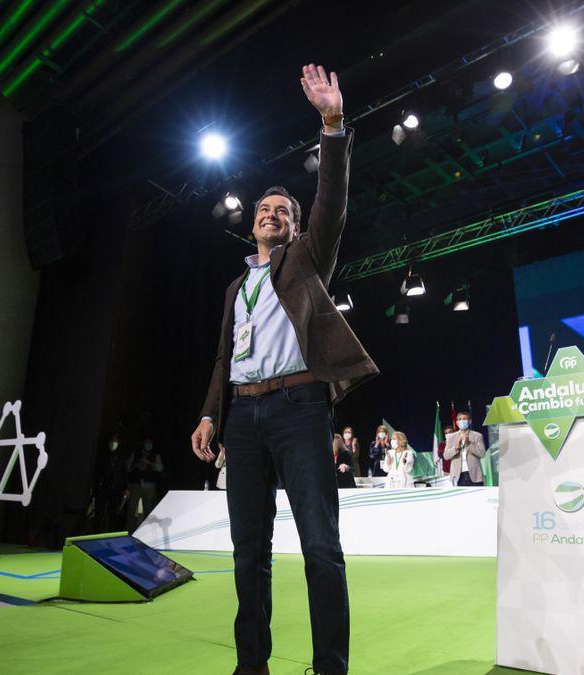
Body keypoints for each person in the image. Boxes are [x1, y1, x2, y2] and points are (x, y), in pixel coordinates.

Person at [188, 64, 377, 675]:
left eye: (283, 210)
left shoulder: (306, 258)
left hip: (299, 411)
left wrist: (331, 122)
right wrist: (210, 412)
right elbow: (225, 355)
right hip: (241, 417)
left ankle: (330, 667)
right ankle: (252, 665)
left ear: (295, 226)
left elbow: (334, 198)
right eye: (264, 209)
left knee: (321, 547)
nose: (272, 213)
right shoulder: (234, 287)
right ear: (252, 223)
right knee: (250, 552)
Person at [125, 438, 164, 532]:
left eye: (150, 443)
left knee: (148, 509)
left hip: (149, 486)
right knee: (131, 508)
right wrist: (136, 465)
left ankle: (147, 532)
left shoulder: (156, 455)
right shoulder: (136, 453)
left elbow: (160, 468)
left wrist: (149, 463)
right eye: (146, 443)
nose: (148, 444)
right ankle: (130, 530)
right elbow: (127, 467)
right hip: (136, 485)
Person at [444, 412, 486, 486]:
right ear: (457, 422)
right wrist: (455, 448)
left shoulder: (477, 436)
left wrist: (469, 444)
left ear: (470, 421)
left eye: (464, 419)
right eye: (460, 419)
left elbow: (482, 453)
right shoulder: (451, 437)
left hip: (475, 475)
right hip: (459, 476)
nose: (462, 421)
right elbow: (446, 456)